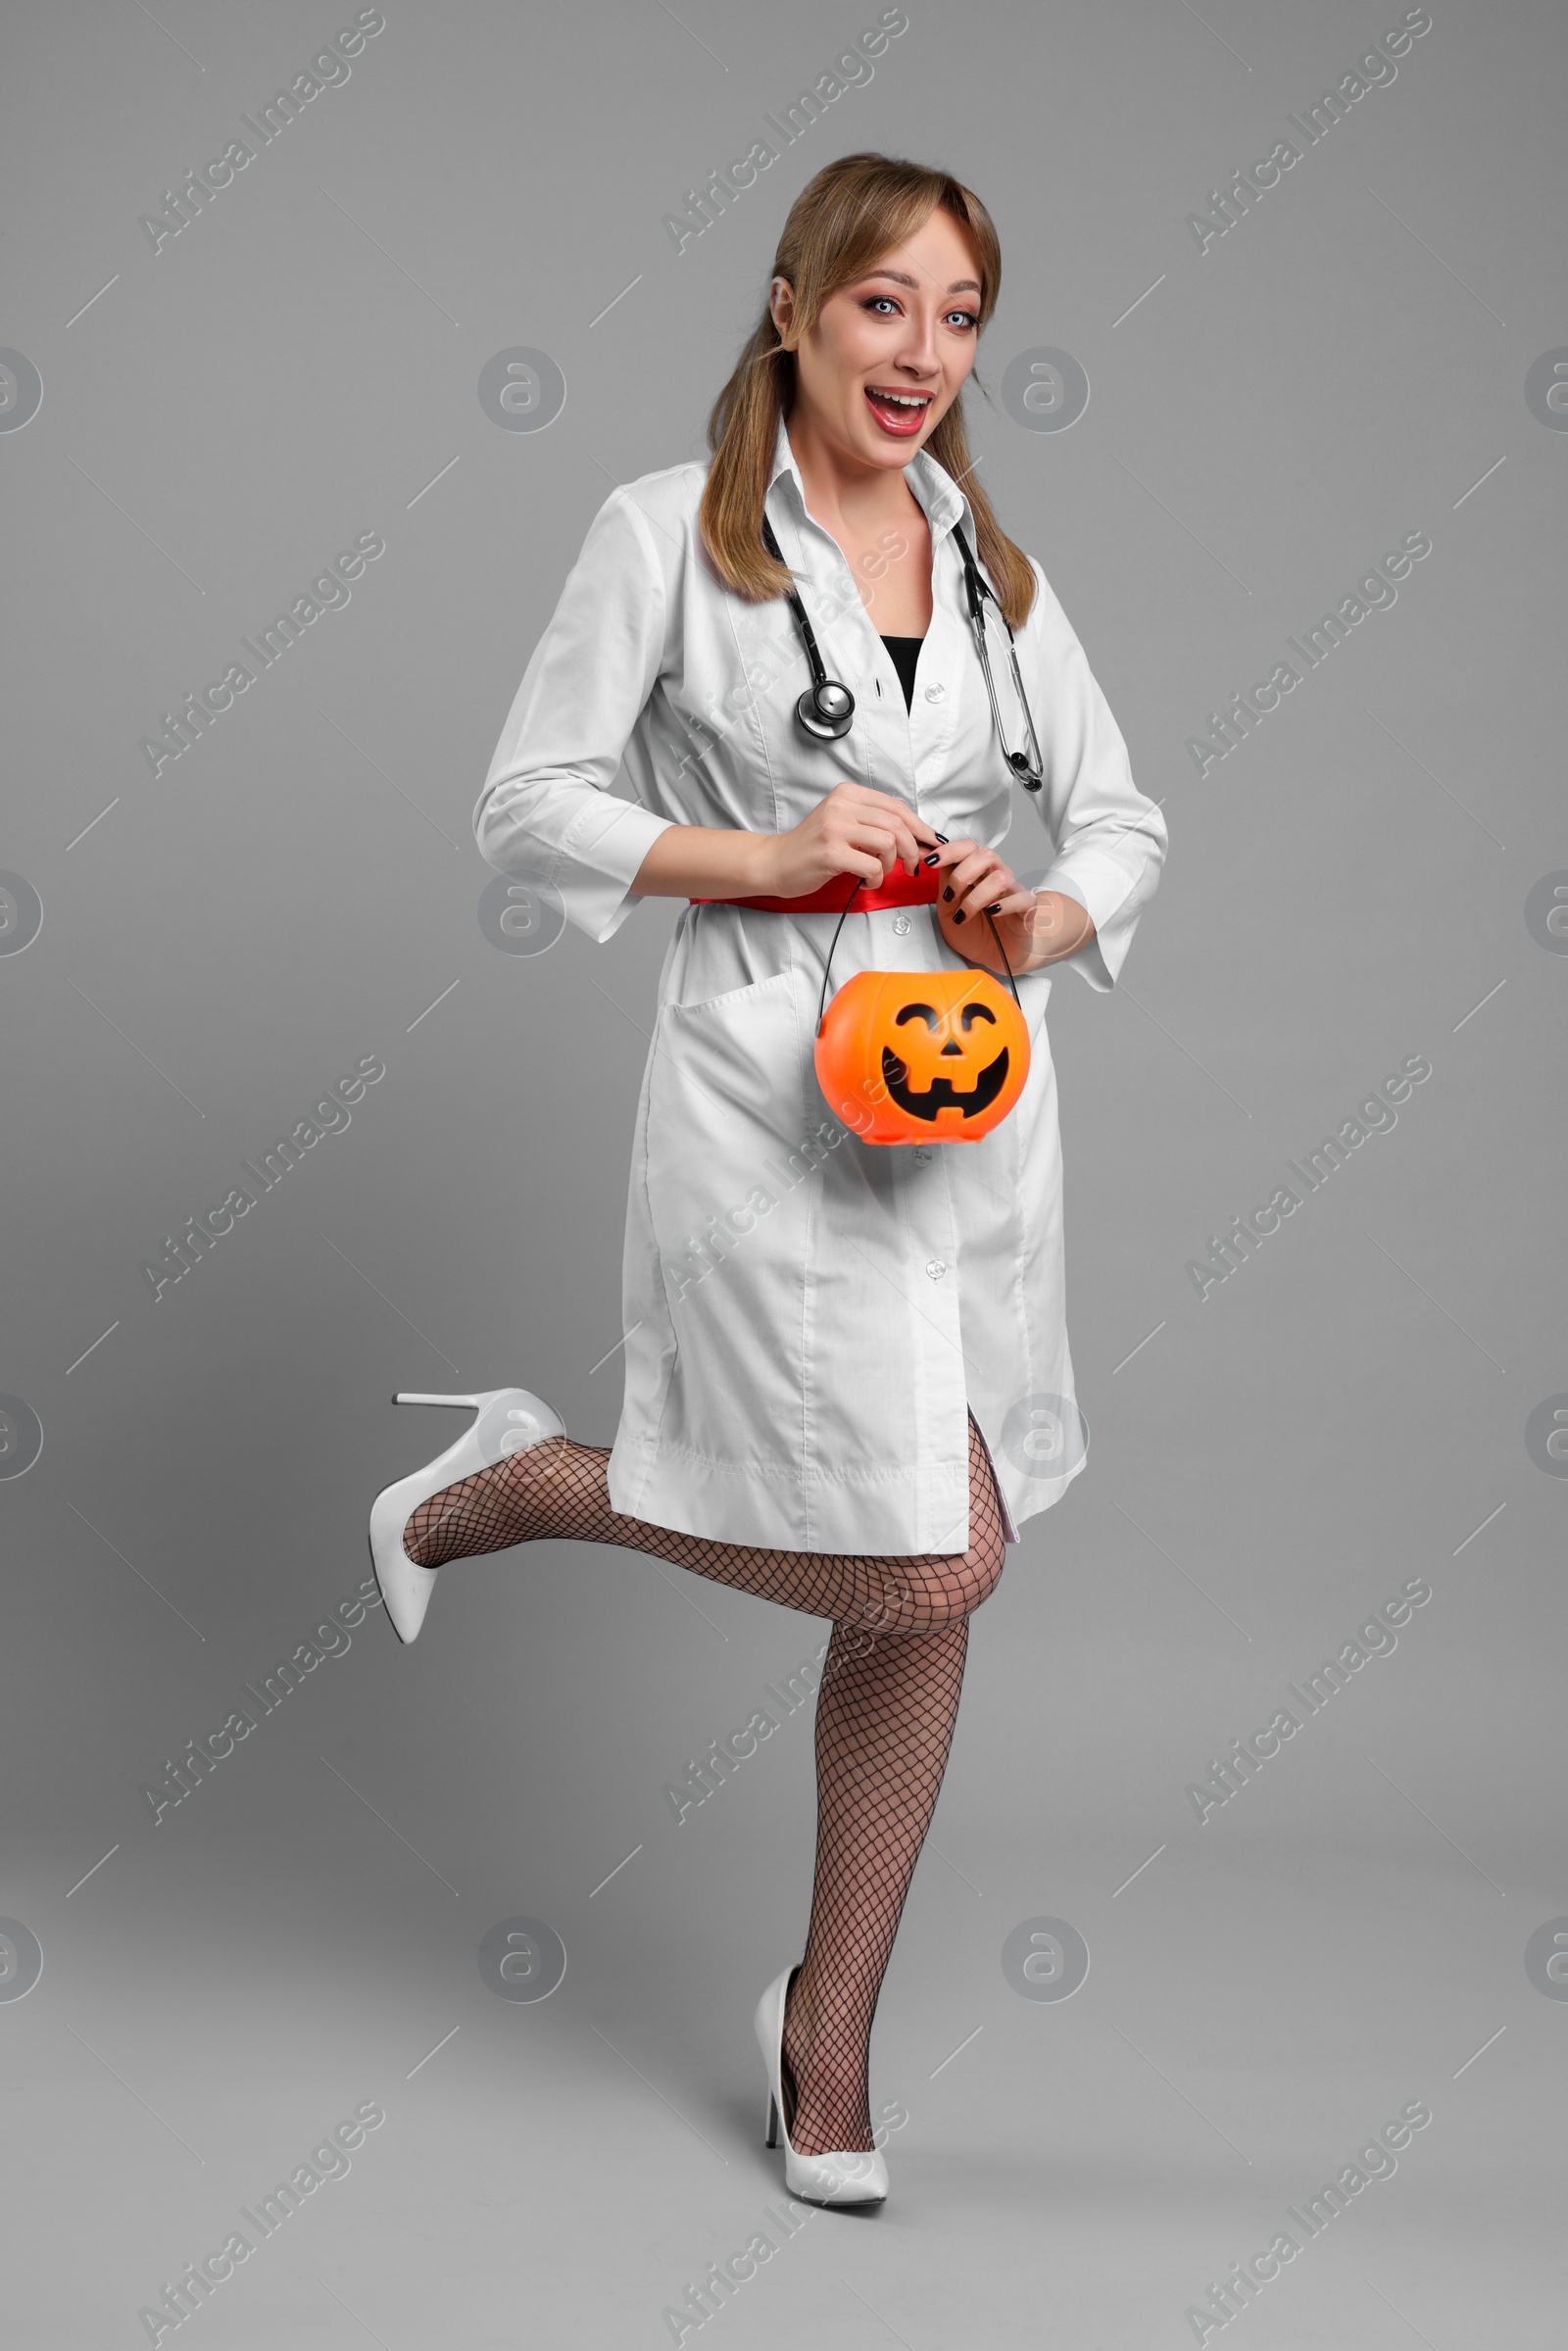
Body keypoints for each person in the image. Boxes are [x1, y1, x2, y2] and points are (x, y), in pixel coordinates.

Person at [369, 151, 1166, 2209]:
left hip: (962, 1093)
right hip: (765, 1097)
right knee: (929, 1559)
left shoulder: (985, 556)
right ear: (795, 302)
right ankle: (537, 1481)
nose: (922, 353)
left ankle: (831, 2037)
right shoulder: (668, 533)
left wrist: (1030, 914)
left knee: (919, 1565)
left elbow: (1124, 821)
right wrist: (760, 856)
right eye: (886, 303)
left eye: (962, 314)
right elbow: (522, 801)